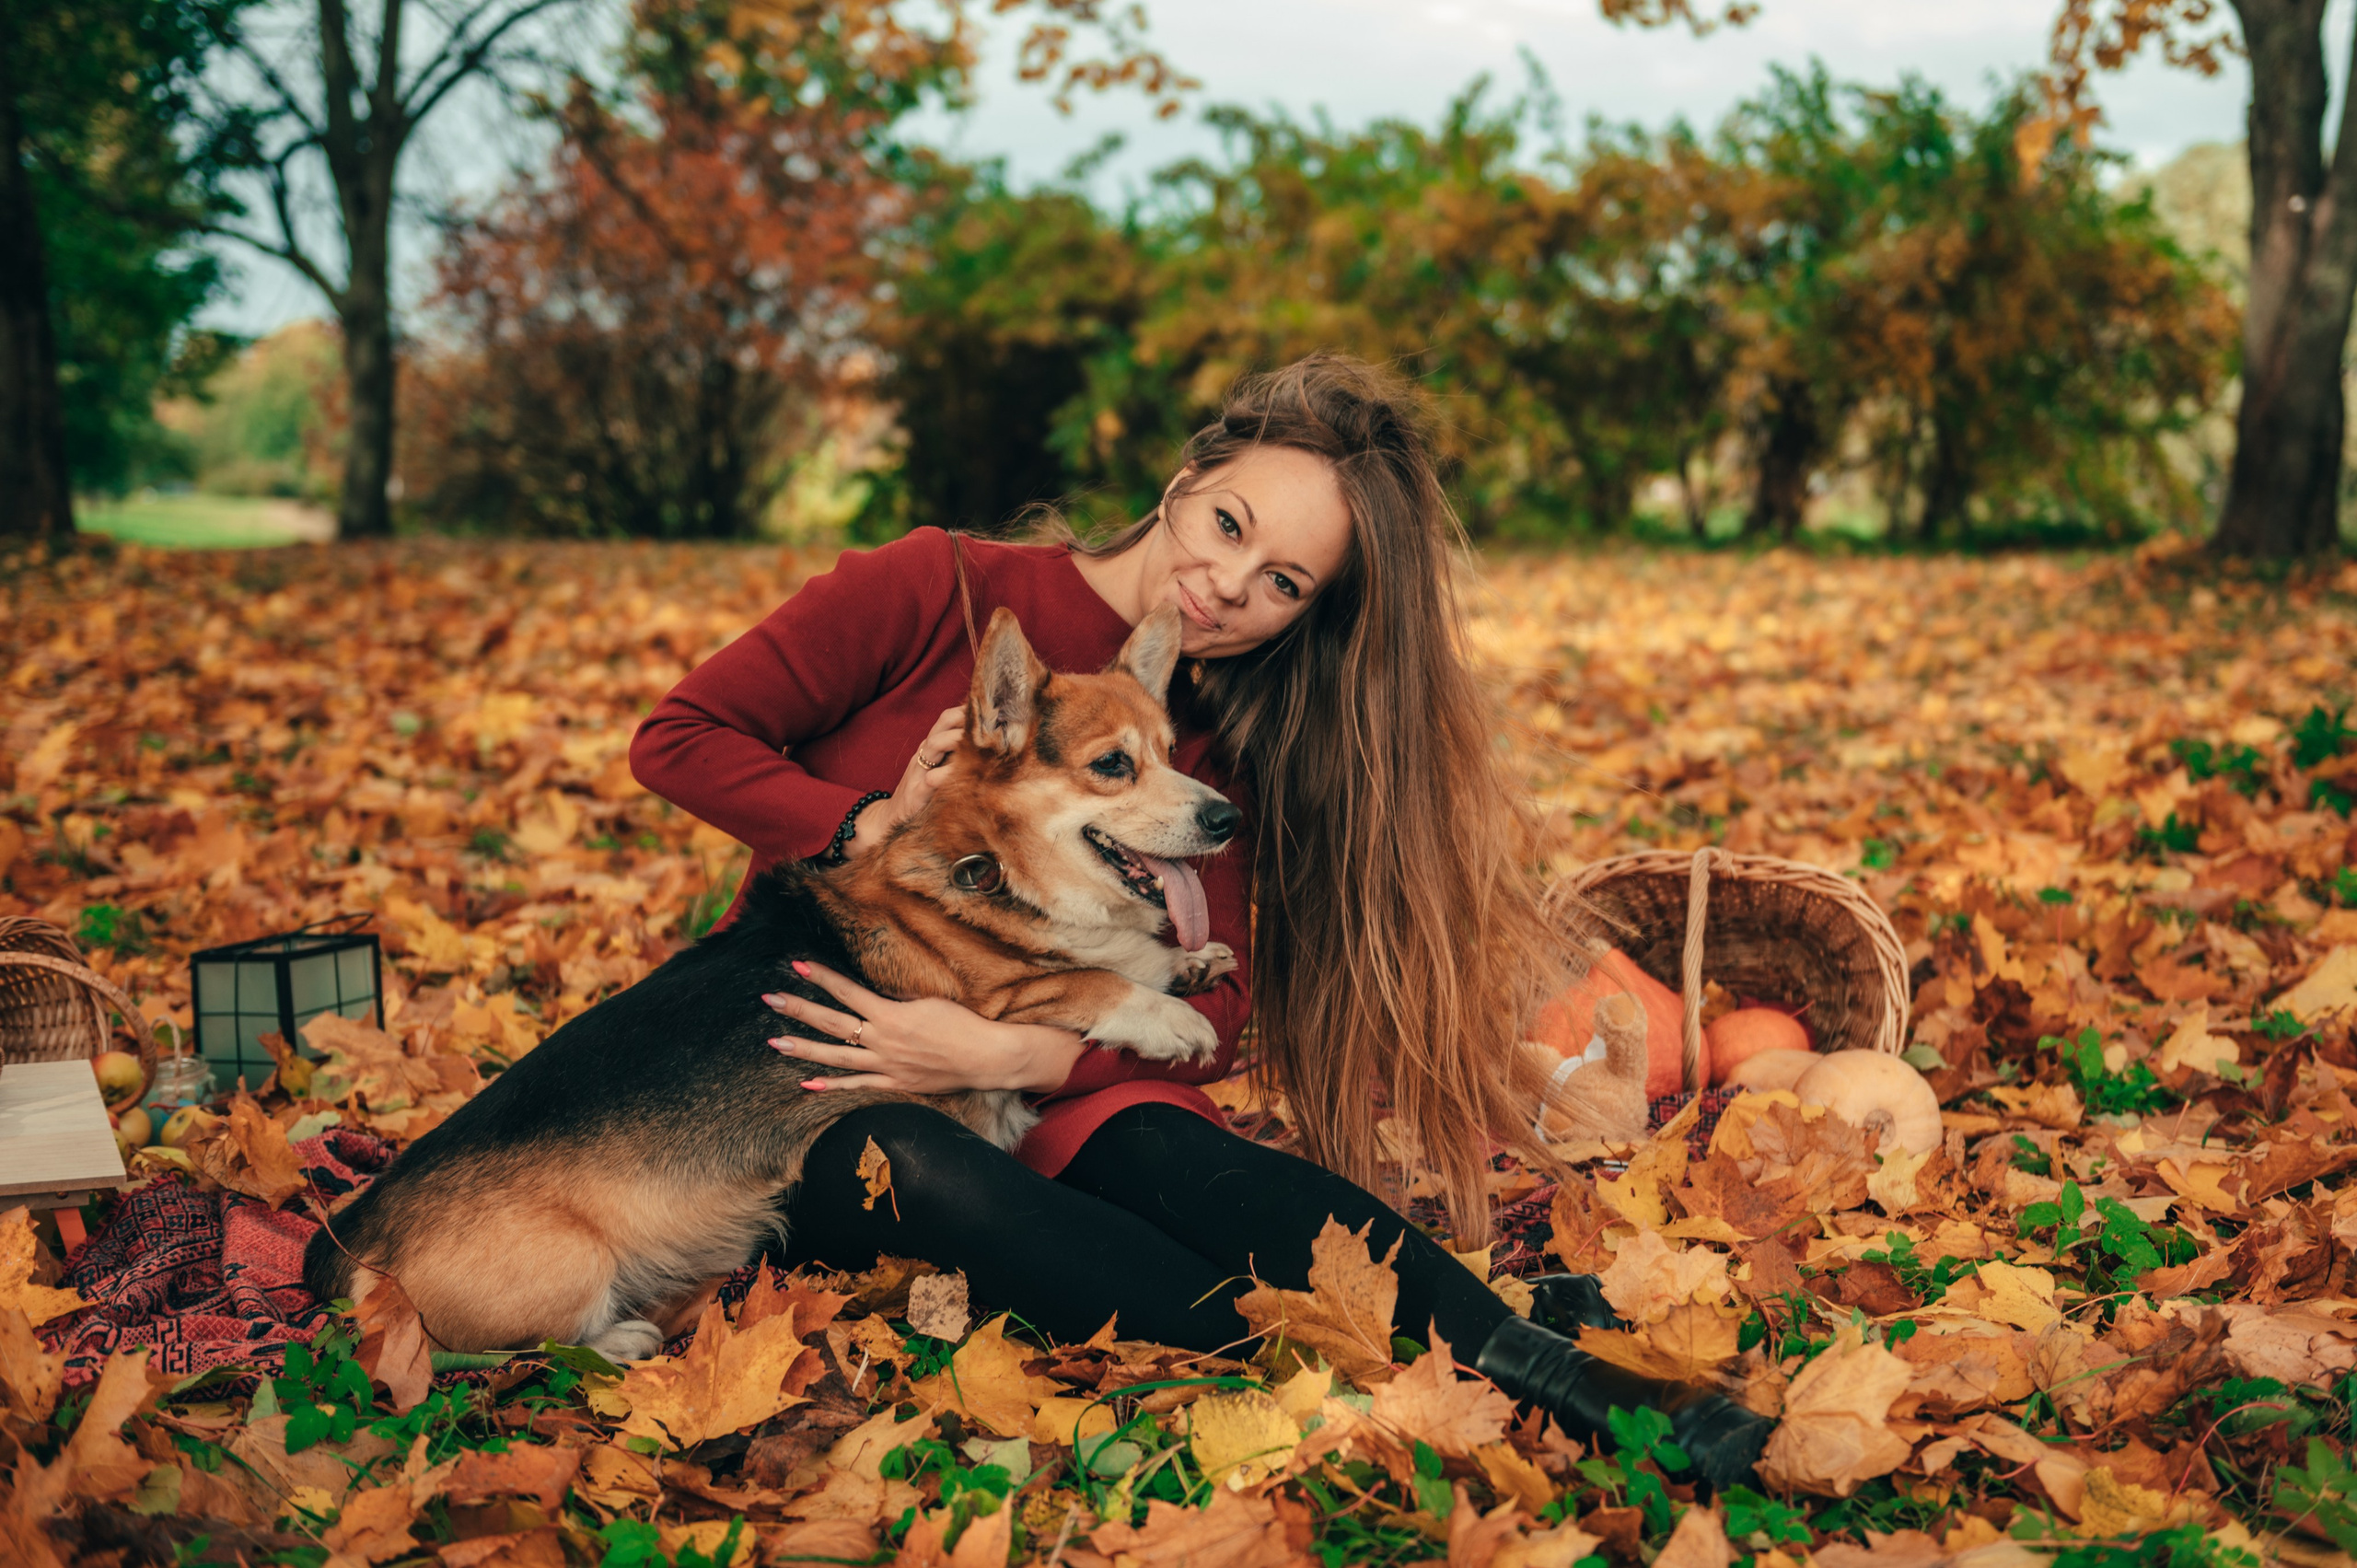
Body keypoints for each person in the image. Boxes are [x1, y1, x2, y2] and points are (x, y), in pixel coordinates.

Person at [629, 354, 1771, 1485]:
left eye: (1282, 582)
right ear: (1187, 476)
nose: (1229, 585)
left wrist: (1016, 1050)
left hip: (1041, 1061)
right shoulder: (941, 587)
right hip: (841, 1053)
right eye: (1228, 525)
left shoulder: (1202, 738)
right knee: (941, 1174)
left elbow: (1211, 1010)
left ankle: (1572, 1379)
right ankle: (1370, 1369)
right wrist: (870, 818)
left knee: (1177, 1148)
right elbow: (677, 738)